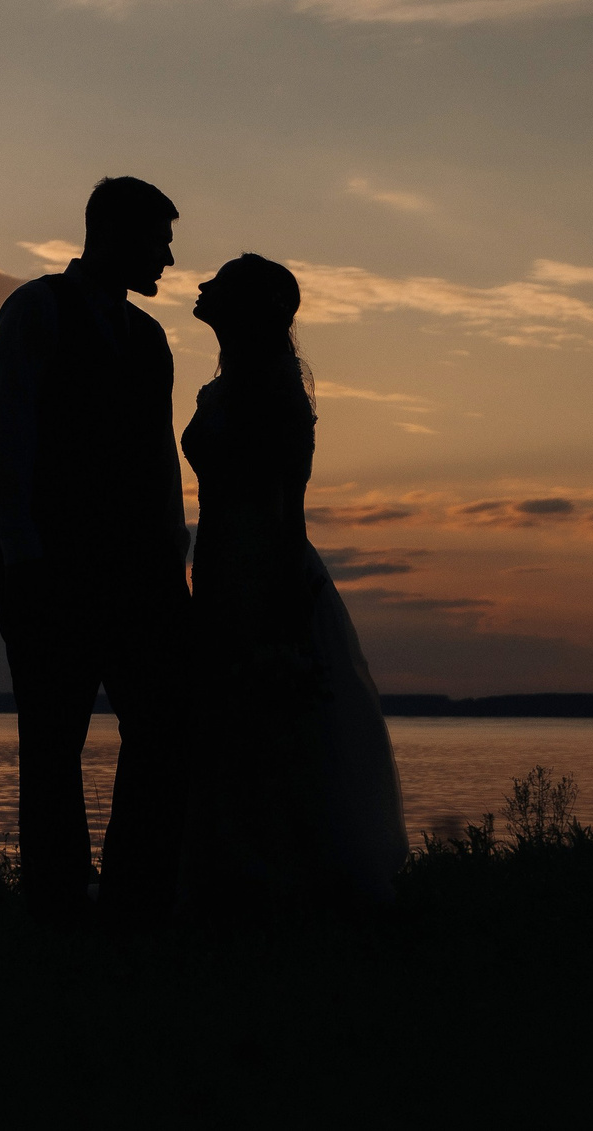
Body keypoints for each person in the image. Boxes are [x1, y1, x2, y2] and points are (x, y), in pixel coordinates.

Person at [0, 176, 191, 925]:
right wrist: (25, 557)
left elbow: (160, 468)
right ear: (118, 235)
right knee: (51, 743)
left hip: (140, 574)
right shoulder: (36, 309)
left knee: (160, 730)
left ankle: (135, 894)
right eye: (159, 238)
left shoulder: (149, 338)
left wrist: (174, 568)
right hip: (49, 567)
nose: (168, 255)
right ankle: (58, 907)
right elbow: (8, 440)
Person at [182, 253, 407, 906]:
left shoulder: (269, 386)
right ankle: (247, 871)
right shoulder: (229, 384)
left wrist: (278, 596)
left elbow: (286, 500)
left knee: (273, 717)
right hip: (225, 562)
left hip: (261, 565)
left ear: (245, 305)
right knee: (236, 725)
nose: (201, 285)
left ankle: (285, 874)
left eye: (219, 282)